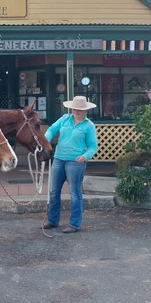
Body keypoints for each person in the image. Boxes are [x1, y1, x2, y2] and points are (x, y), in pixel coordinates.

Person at [43, 95, 98, 233]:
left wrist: (85, 156)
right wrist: (46, 140)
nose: (76, 111)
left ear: (85, 110)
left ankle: (74, 224)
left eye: (79, 109)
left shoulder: (89, 126)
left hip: (75, 162)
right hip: (58, 159)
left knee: (74, 192)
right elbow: (51, 130)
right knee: (54, 191)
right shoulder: (64, 119)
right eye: (74, 108)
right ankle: (52, 220)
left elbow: (92, 146)